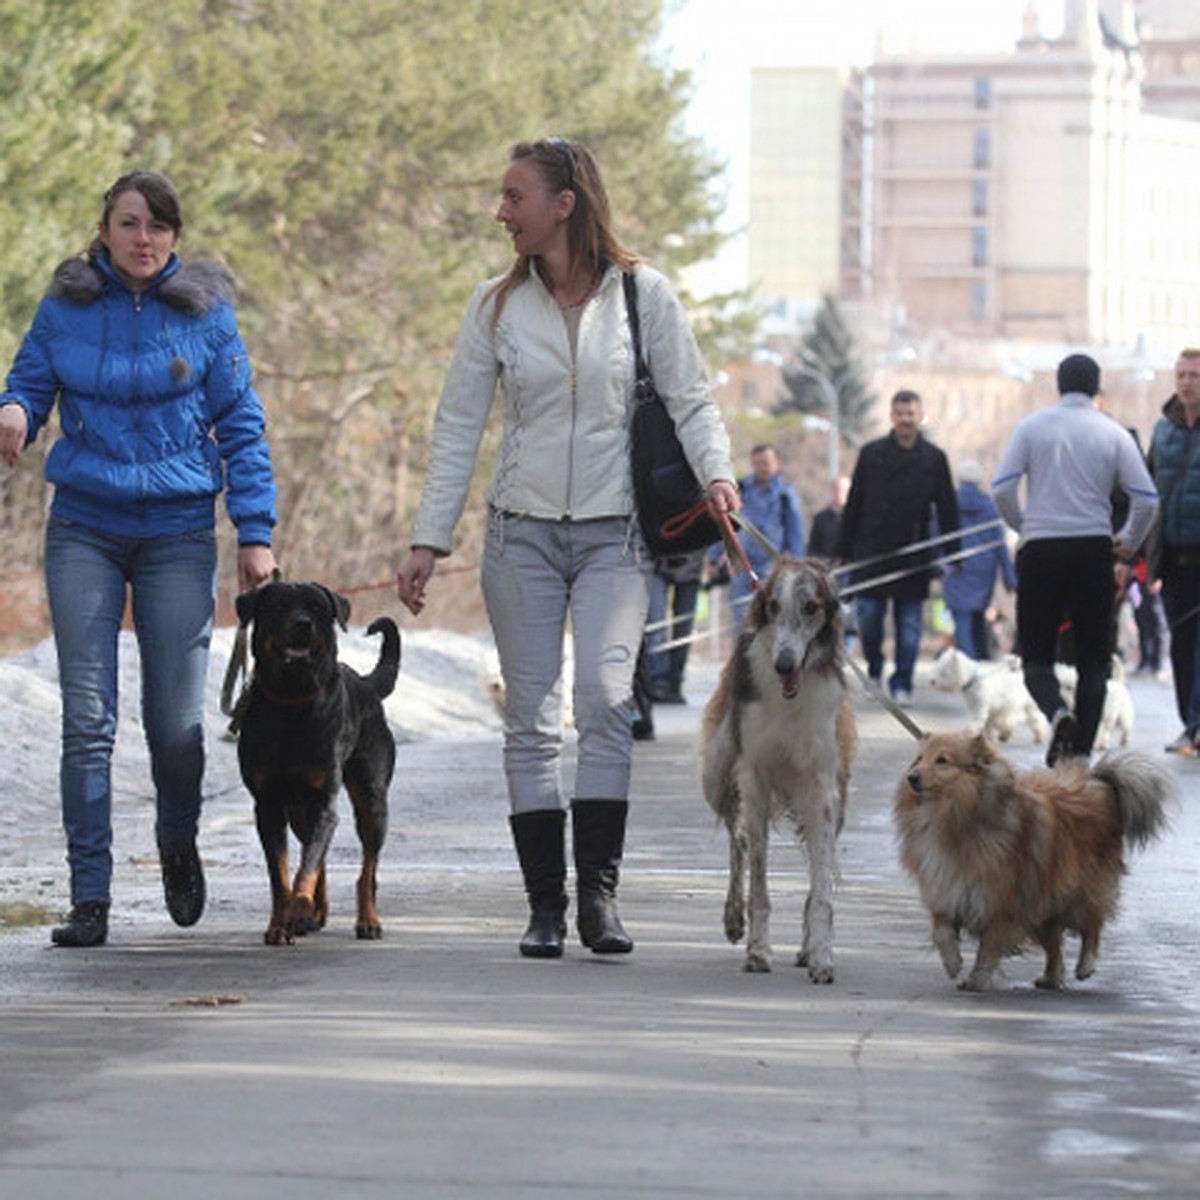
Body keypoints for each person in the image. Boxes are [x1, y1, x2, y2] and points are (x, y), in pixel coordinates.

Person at [395, 138, 738, 960]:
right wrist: (427, 539)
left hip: (616, 535)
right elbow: (457, 428)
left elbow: (692, 399)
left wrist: (720, 479)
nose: (501, 212)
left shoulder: (641, 295)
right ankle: (545, 906)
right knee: (532, 720)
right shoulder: (495, 306)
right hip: (521, 535)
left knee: (606, 702)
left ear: (565, 203)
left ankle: (600, 901)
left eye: (515, 196)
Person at [0, 169, 278, 948]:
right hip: (83, 525)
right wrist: (15, 412)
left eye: (158, 226)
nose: (143, 239)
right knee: (87, 722)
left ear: (176, 238)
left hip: (178, 532)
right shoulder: (66, 306)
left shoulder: (208, 315)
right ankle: (90, 897)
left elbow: (244, 429)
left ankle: (177, 841)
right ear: (105, 230)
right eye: (129, 224)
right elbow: (27, 384)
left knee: (174, 726)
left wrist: (255, 533)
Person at [992, 353, 1157, 765]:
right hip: (1093, 550)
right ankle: (1080, 752)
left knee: (1036, 655)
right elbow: (1147, 499)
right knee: (1093, 657)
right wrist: (1127, 542)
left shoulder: (1032, 428)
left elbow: (1002, 489)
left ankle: (1056, 712)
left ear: (1059, 385)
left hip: (1042, 549)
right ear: (1096, 387)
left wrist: (1025, 524)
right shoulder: (1113, 433)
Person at [836, 389, 959, 705]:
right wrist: (843, 549)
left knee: (909, 627)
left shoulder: (934, 458)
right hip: (872, 552)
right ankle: (875, 671)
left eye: (911, 413)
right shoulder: (872, 454)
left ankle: (902, 681)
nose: (905, 420)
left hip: (914, 555)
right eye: (900, 413)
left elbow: (947, 508)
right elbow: (854, 504)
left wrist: (952, 551)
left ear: (920, 416)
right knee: (870, 620)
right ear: (892, 416)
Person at [1148, 348, 1200, 754]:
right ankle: (1190, 724)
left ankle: (1197, 726)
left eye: (1195, 376)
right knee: (1181, 644)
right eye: (1182, 375)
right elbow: (1147, 493)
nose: (1187, 382)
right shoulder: (1163, 431)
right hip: (1173, 559)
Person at [718, 444, 806, 621]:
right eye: (757, 463)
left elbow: (795, 534)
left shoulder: (786, 494)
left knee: (771, 621)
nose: (761, 468)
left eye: (766, 463)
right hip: (742, 567)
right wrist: (716, 556)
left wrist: (796, 566)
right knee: (742, 622)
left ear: (777, 464)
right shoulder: (740, 489)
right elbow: (724, 524)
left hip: (773, 568)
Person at [940, 460, 1016, 660]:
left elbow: (936, 534)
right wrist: (1009, 577)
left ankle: (968, 663)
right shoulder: (989, 506)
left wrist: (936, 564)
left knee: (962, 617)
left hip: (955, 567)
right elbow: (999, 543)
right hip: (984, 570)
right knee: (977, 616)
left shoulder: (948, 503)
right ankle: (981, 660)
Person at [645, 548, 705, 705]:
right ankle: (658, 682)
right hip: (657, 560)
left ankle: (675, 683)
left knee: (683, 629)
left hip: (691, 560)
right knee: (656, 624)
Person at [808, 474, 850, 563]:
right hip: (826, 568)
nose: (840, 493)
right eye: (838, 490)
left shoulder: (855, 519)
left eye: (844, 491)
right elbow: (813, 550)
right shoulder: (820, 519)